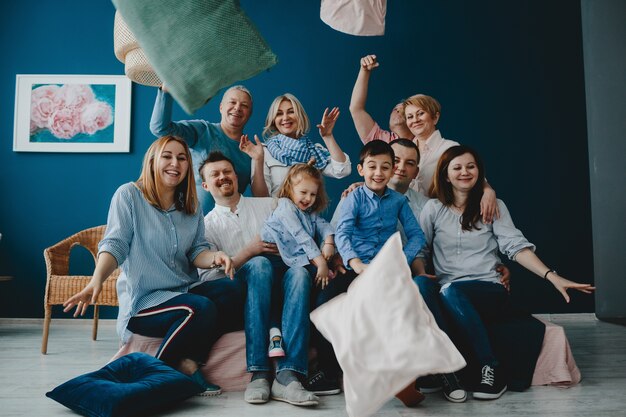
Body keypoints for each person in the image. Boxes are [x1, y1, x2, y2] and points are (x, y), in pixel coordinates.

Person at [63, 136, 245, 396]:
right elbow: (115, 244)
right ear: (152, 161)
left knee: (235, 290)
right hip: (146, 303)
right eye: (167, 156)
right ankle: (153, 375)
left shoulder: (191, 208)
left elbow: (196, 252)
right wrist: (96, 280)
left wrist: (215, 256)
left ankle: (189, 360)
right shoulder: (129, 195)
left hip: (183, 293)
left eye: (182, 158)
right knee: (200, 307)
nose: (175, 163)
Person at [417, 145, 595, 400]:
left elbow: (516, 247)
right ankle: (447, 370)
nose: (465, 172)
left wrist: (552, 276)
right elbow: (421, 250)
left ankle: (490, 367)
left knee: (451, 291)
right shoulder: (433, 209)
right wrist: (422, 273)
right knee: (422, 285)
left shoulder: (493, 205)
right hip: (448, 288)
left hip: (487, 289)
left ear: (480, 172)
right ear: (446, 175)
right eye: (457, 168)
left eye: (471, 166)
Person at [198, 152, 319, 407]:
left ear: (236, 176)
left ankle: (289, 375)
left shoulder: (269, 204)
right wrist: (248, 253)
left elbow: (307, 216)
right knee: (260, 263)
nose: (223, 177)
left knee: (299, 272)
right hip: (241, 292)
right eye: (215, 174)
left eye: (227, 171)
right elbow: (208, 278)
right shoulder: (206, 226)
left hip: (282, 279)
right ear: (206, 185)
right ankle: (259, 371)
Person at [307, 141, 427, 395]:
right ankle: (329, 373)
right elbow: (343, 233)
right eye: (372, 167)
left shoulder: (398, 202)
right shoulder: (355, 198)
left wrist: (399, 260)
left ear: (393, 169)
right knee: (323, 304)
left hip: (386, 270)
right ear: (361, 169)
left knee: (398, 307)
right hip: (355, 268)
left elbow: (417, 236)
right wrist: (355, 262)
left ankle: (401, 375)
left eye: (385, 167)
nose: (378, 173)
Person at [349, 54, 499, 223]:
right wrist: (363, 186)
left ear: (435, 118)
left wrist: (488, 191)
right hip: (398, 216)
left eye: (420, 114)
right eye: (410, 116)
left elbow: (472, 176)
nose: (415, 120)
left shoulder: (449, 148)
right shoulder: (401, 147)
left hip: (438, 220)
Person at [150, 85, 268, 213]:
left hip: (228, 226)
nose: (237, 108)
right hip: (187, 219)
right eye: (232, 102)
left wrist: (258, 159)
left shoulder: (252, 151)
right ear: (221, 107)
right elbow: (160, 128)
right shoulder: (203, 130)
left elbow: (261, 199)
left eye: (244, 105)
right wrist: (166, 92)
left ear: (249, 114)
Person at [261, 93, 351, 196]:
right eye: (279, 114)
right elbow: (262, 197)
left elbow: (343, 170)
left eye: (291, 112)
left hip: (308, 211)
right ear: (273, 120)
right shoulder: (265, 151)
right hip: (277, 211)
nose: (285, 118)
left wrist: (328, 137)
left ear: (300, 116)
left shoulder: (314, 151)